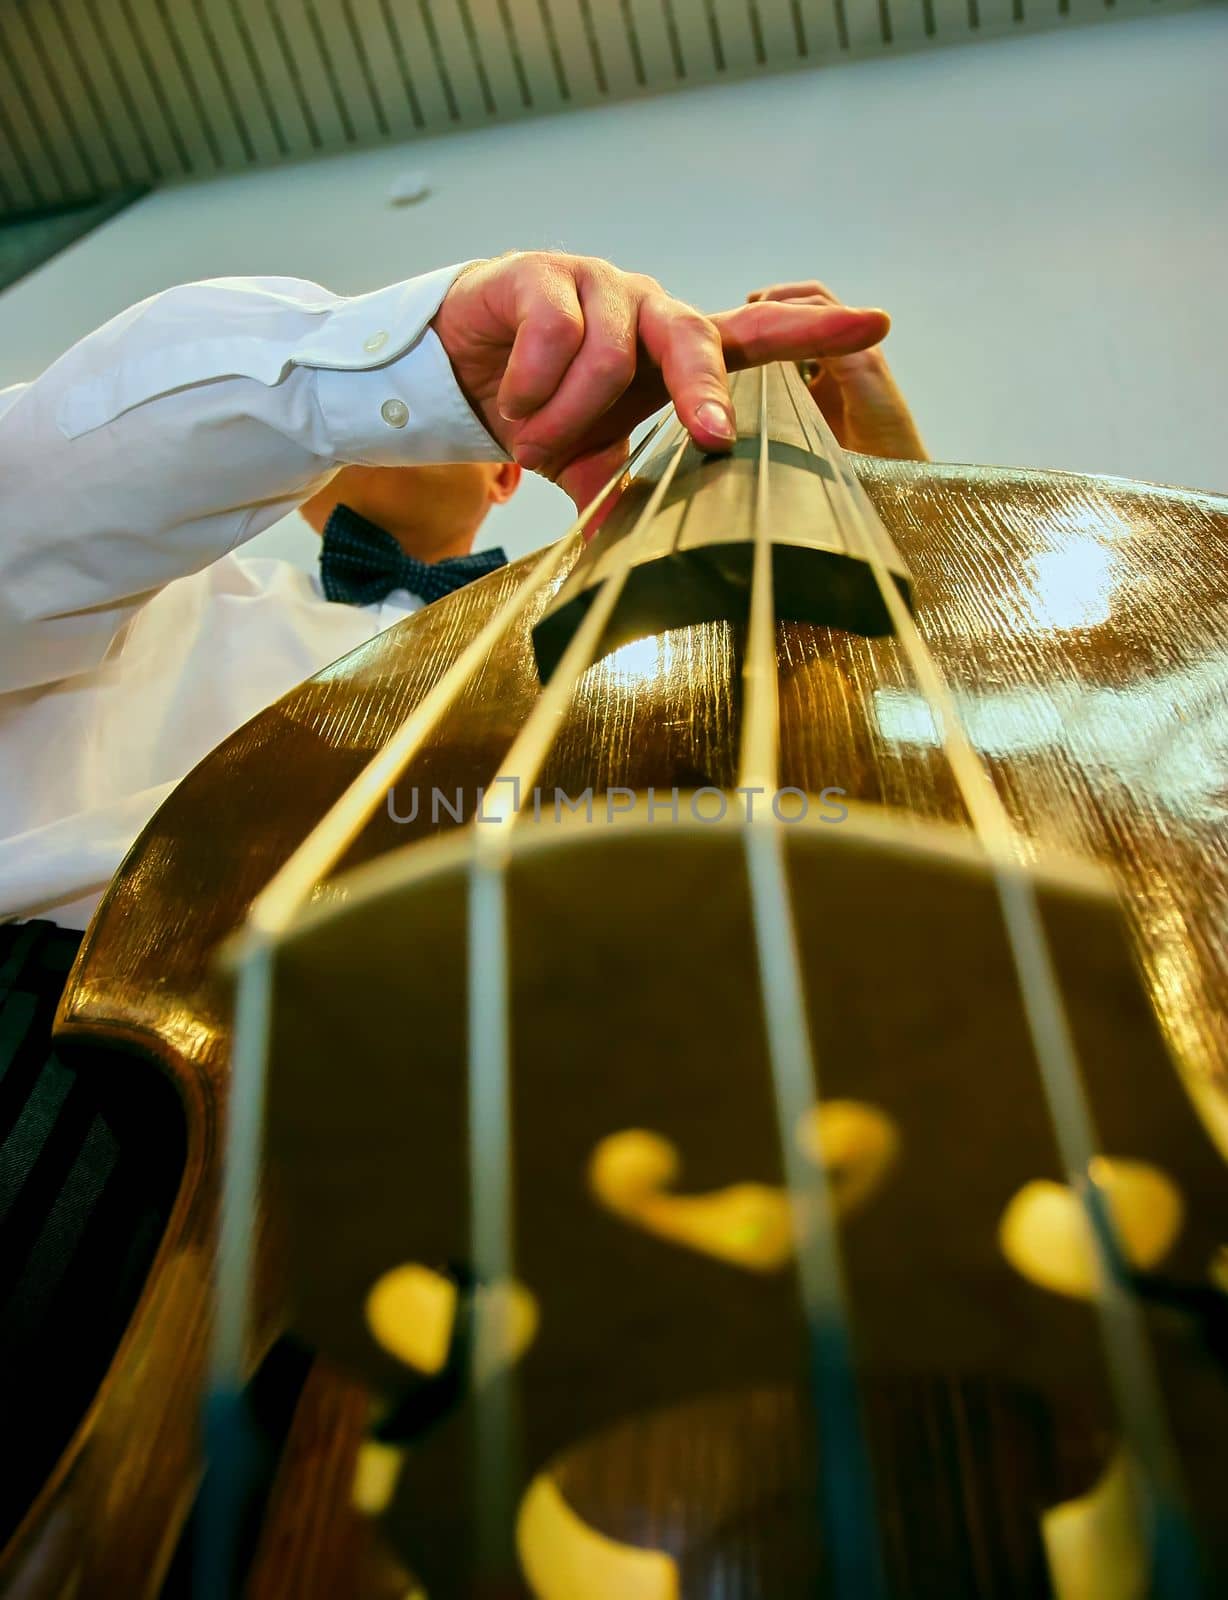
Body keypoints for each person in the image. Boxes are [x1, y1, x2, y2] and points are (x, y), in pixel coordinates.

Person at [0, 248, 907, 1555]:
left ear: (508, 483)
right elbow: (39, 486)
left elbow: (805, 800)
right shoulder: (160, 593)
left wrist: (867, 496)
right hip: (93, 1101)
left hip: (532, 1142)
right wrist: (403, 358)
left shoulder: (599, 637)